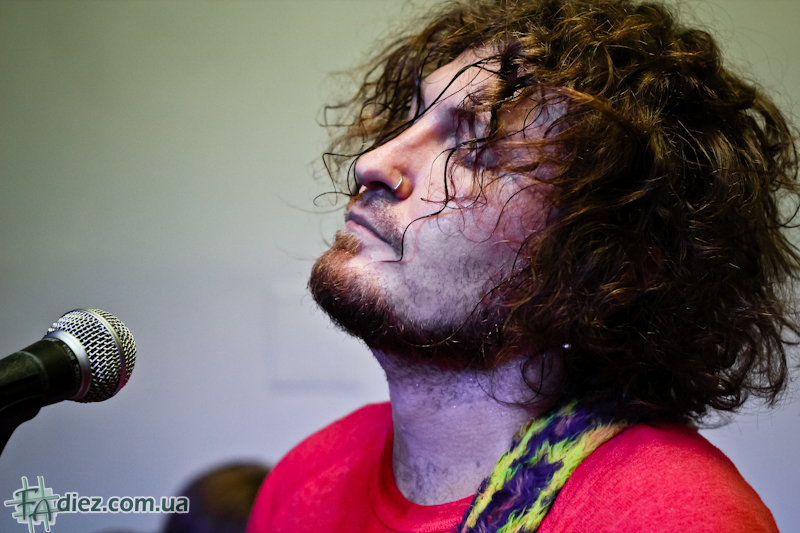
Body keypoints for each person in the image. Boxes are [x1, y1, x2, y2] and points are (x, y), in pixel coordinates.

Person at [247, 0, 798, 531]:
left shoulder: (672, 517)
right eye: (410, 117)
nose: (372, 163)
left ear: (606, 268)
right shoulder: (308, 476)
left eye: (472, 146)